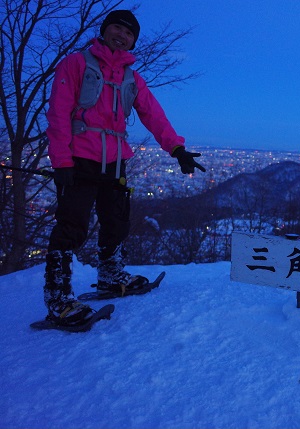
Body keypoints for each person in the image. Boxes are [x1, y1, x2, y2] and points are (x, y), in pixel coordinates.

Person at [43, 10, 205, 326]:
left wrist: (176, 148)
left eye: (129, 33)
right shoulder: (77, 64)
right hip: (79, 157)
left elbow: (153, 114)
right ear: (104, 31)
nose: (122, 35)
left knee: (116, 220)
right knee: (71, 224)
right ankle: (59, 298)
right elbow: (59, 113)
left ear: (133, 40)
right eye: (117, 28)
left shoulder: (131, 78)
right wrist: (61, 160)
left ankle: (110, 275)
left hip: (115, 159)